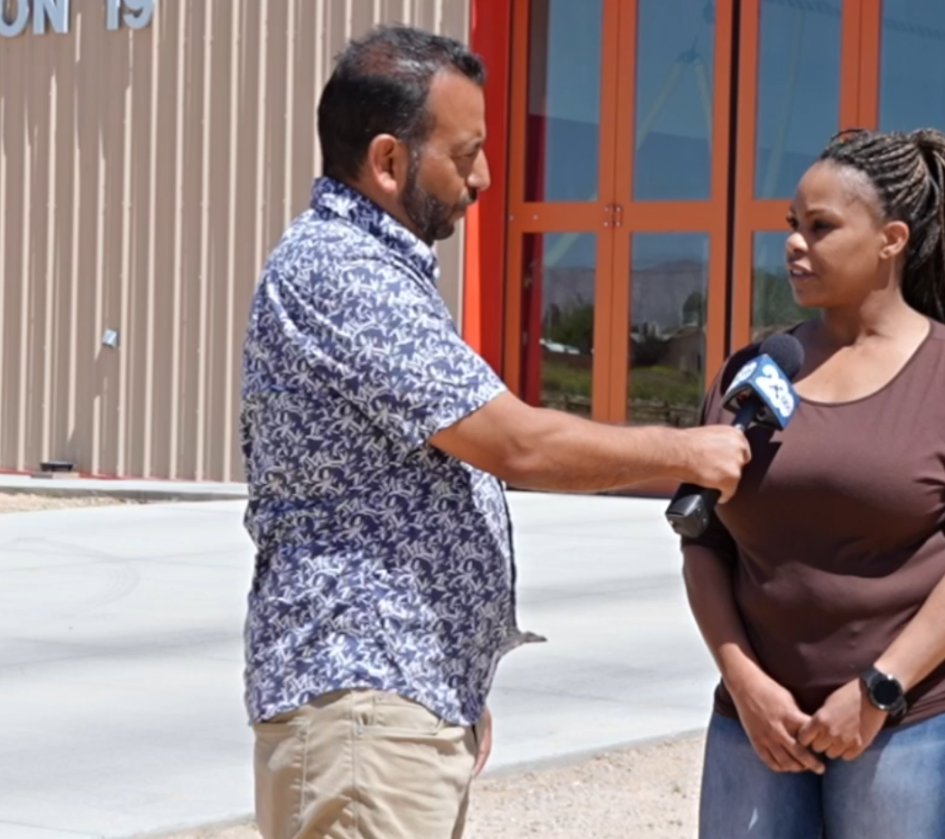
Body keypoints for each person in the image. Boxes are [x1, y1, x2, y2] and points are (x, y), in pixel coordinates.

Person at [239, 25, 750, 839]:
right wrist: (687, 449)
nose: (483, 178)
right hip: (364, 707)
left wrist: (452, 688)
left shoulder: (370, 268)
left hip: (396, 701)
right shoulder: (341, 271)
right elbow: (515, 443)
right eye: (464, 152)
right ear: (388, 162)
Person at [681, 127, 945, 839]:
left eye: (821, 226)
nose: (795, 244)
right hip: (759, 724)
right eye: (792, 226)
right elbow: (704, 545)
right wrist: (745, 683)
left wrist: (878, 688)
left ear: (890, 239)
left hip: (909, 723)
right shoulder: (756, 370)